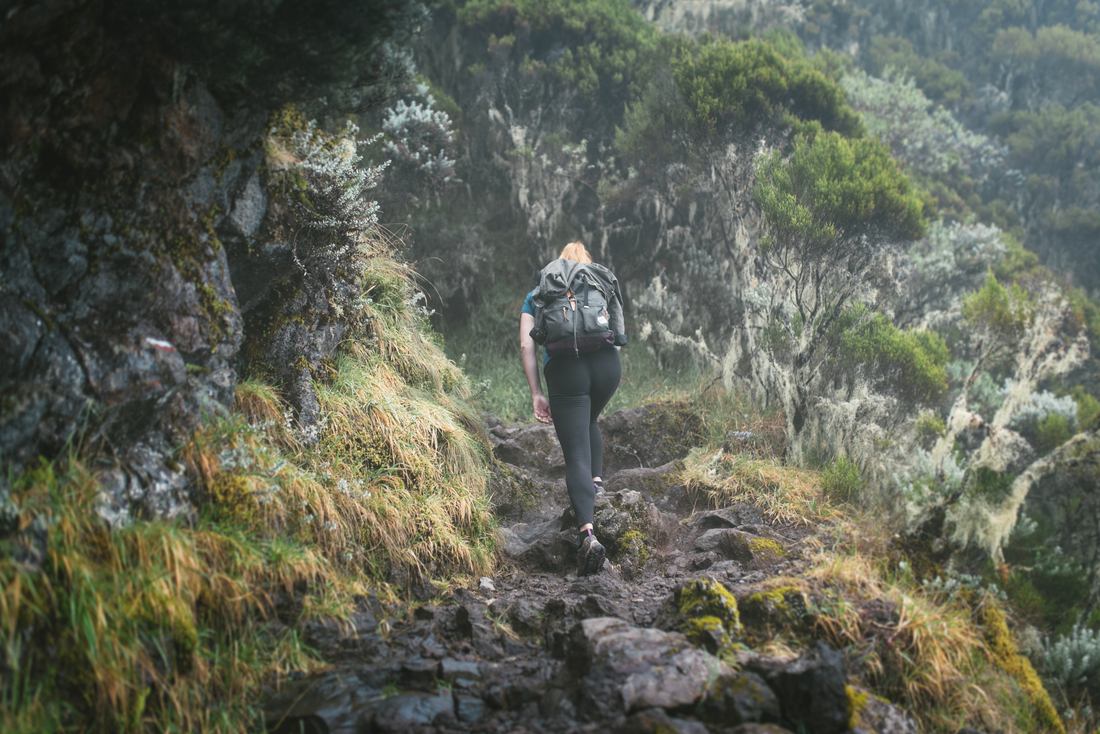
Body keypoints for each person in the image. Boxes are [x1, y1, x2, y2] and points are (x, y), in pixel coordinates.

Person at [519, 241, 624, 576]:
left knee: (575, 451)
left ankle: (588, 536)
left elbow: (526, 344)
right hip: (607, 366)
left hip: (566, 369)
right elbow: (616, 331)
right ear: (586, 262)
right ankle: (597, 484)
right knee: (590, 418)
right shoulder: (598, 281)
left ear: (558, 265)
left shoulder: (539, 292)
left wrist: (537, 393)